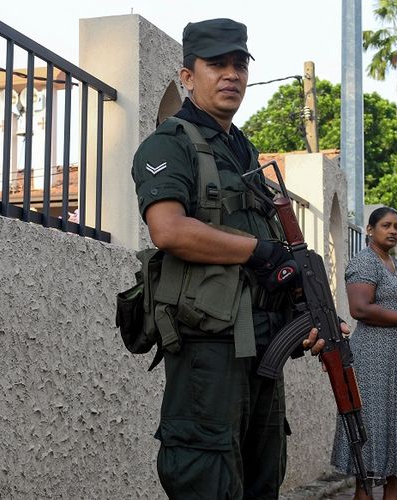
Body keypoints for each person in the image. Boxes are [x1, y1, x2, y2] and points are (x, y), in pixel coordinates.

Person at [130, 18, 332, 498]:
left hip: (262, 350)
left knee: (263, 481)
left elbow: (268, 256)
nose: (231, 75)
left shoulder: (243, 151)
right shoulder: (170, 143)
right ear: (186, 76)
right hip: (210, 351)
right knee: (209, 481)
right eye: (216, 64)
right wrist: (261, 252)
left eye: (239, 64)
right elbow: (169, 229)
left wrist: (306, 314)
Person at [331, 207, 397, 500]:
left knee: (396, 423)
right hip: (373, 355)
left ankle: (392, 490)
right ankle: (363, 490)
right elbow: (360, 309)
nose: (393, 231)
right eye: (386, 225)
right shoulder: (364, 262)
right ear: (370, 230)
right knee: (371, 424)